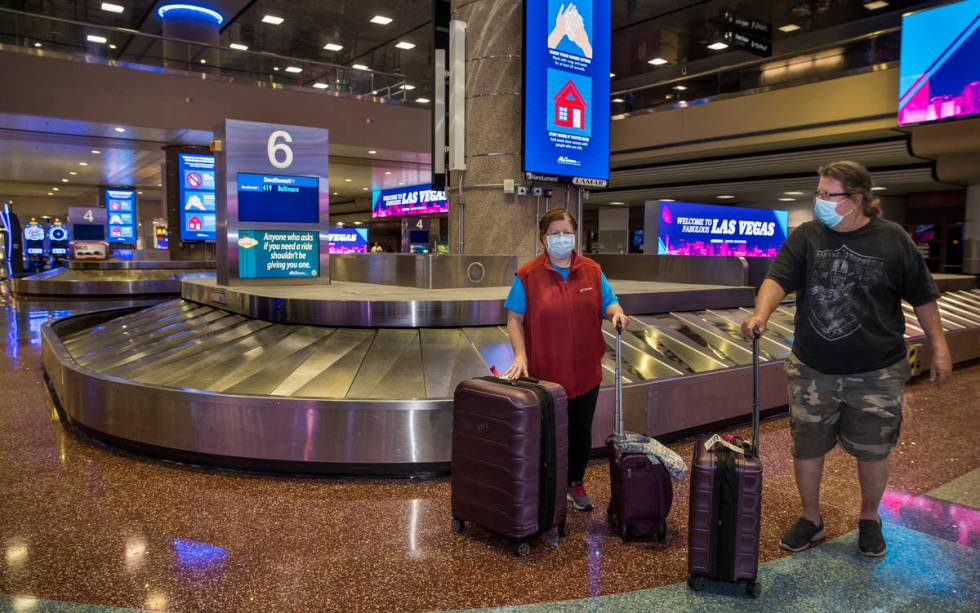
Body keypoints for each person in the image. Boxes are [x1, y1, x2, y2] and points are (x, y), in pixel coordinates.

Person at [741, 160, 952, 558]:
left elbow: (923, 296)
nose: (819, 201)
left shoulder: (893, 240)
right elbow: (777, 278)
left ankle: (870, 517)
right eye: (817, 193)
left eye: (827, 195)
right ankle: (811, 518)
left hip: (876, 370)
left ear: (856, 200)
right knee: (807, 446)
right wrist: (760, 314)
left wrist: (939, 346)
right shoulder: (807, 236)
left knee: (874, 448)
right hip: (811, 366)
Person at [503, 208, 629, 512]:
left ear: (576, 235)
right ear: (544, 239)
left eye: (566, 233)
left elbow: (609, 301)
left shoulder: (592, 271)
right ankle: (545, 487)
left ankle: (574, 482)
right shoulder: (528, 275)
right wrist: (521, 354)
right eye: (554, 234)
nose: (561, 239)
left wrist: (616, 313)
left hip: (586, 372)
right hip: (546, 375)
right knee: (546, 433)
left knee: (580, 431)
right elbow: (514, 318)